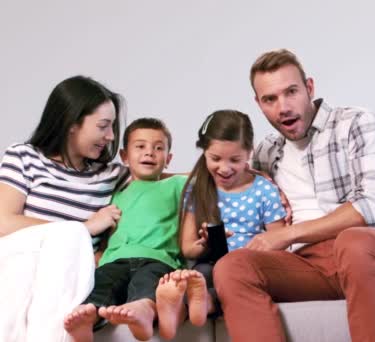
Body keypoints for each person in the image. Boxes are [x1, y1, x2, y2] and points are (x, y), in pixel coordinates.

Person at [212, 49, 375, 342]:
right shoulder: (266, 151)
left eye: (291, 92)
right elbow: (227, 183)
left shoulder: (357, 123)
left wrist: (288, 235)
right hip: (307, 265)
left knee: (354, 241)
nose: (283, 107)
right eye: (270, 99)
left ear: (310, 88)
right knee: (232, 267)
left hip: (373, 254)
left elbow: (372, 206)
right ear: (258, 103)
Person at [0, 75, 128, 342]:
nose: (111, 136)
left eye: (113, 126)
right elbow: (3, 223)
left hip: (71, 281)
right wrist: (82, 229)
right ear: (72, 123)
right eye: (103, 126)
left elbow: (167, 180)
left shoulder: (110, 175)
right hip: (20, 267)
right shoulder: (23, 157)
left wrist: (235, 169)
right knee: (70, 237)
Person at [154, 110, 287, 340]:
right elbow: (187, 248)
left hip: (247, 266)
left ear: (249, 152)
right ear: (204, 152)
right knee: (197, 274)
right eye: (215, 158)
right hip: (210, 262)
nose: (224, 169)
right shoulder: (198, 188)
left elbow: (280, 241)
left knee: (231, 280)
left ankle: (207, 302)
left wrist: (256, 250)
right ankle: (185, 306)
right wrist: (205, 243)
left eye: (235, 160)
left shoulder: (263, 189)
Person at [63, 118, 188, 342]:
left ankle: (144, 309)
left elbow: (208, 179)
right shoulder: (115, 193)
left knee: (148, 282)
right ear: (124, 156)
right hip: (115, 260)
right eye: (140, 147)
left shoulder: (176, 185)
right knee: (101, 284)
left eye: (158, 148)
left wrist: (250, 173)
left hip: (157, 259)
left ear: (168, 159)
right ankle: (89, 318)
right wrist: (99, 253)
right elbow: (108, 233)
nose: (149, 153)